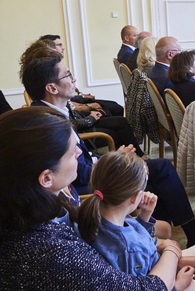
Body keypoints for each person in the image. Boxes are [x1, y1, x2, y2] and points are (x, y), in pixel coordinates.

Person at [20, 56, 195, 259]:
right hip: (88, 188)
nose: (74, 78)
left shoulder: (52, 112)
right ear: (52, 88)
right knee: (162, 169)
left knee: (158, 172)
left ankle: (158, 240)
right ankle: (184, 237)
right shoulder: (48, 122)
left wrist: (114, 157)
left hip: (91, 176)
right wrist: (113, 160)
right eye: (67, 75)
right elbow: (79, 173)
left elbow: (80, 156)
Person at [0, 107, 172, 289]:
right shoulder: (49, 250)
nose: (79, 153)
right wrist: (172, 251)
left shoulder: (37, 211)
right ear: (46, 178)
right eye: (71, 151)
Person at [78, 151, 195, 290]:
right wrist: (178, 283)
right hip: (168, 282)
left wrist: (144, 216)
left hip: (157, 265)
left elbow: (138, 243)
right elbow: (147, 280)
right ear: (135, 198)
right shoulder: (128, 248)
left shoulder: (101, 216)